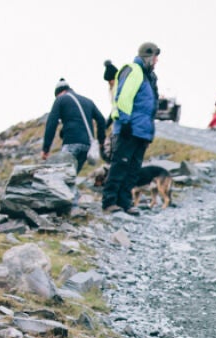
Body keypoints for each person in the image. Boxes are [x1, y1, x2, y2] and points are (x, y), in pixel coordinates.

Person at [102, 42, 161, 214]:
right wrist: (125, 122)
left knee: (133, 169)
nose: (157, 61)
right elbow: (124, 97)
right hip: (128, 129)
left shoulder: (149, 77)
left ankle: (125, 202)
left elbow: (150, 107)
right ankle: (109, 201)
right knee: (120, 165)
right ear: (148, 56)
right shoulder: (134, 70)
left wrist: (149, 132)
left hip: (142, 131)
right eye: (155, 57)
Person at [41, 79, 106, 174]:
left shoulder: (60, 99)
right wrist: (101, 141)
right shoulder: (88, 101)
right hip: (87, 146)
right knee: (72, 175)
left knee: (62, 175)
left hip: (71, 143)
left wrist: (46, 149)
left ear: (59, 93)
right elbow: (101, 120)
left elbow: (51, 123)